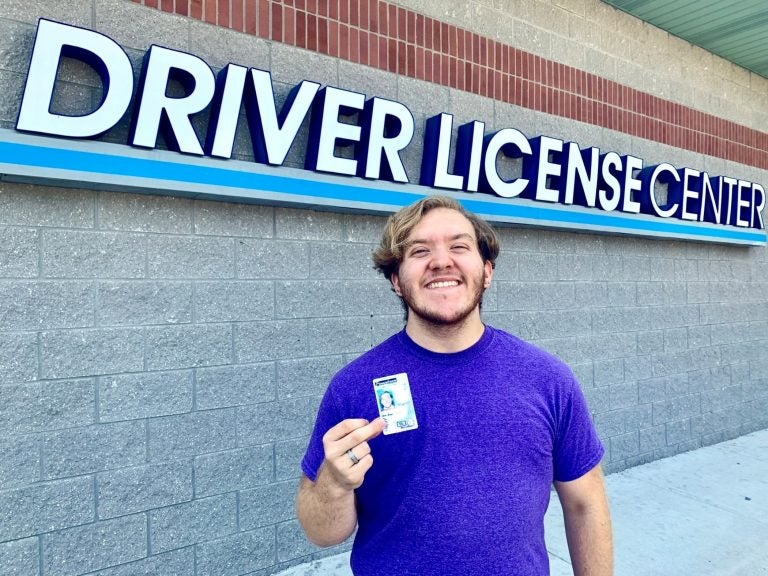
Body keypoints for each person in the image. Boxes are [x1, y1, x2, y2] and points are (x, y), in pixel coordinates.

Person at [296, 195, 613, 575]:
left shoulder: (549, 380)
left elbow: (586, 503)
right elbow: (322, 533)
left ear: (487, 271)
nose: (441, 261)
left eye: (459, 246)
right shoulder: (352, 387)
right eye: (419, 250)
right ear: (397, 280)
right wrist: (332, 484)